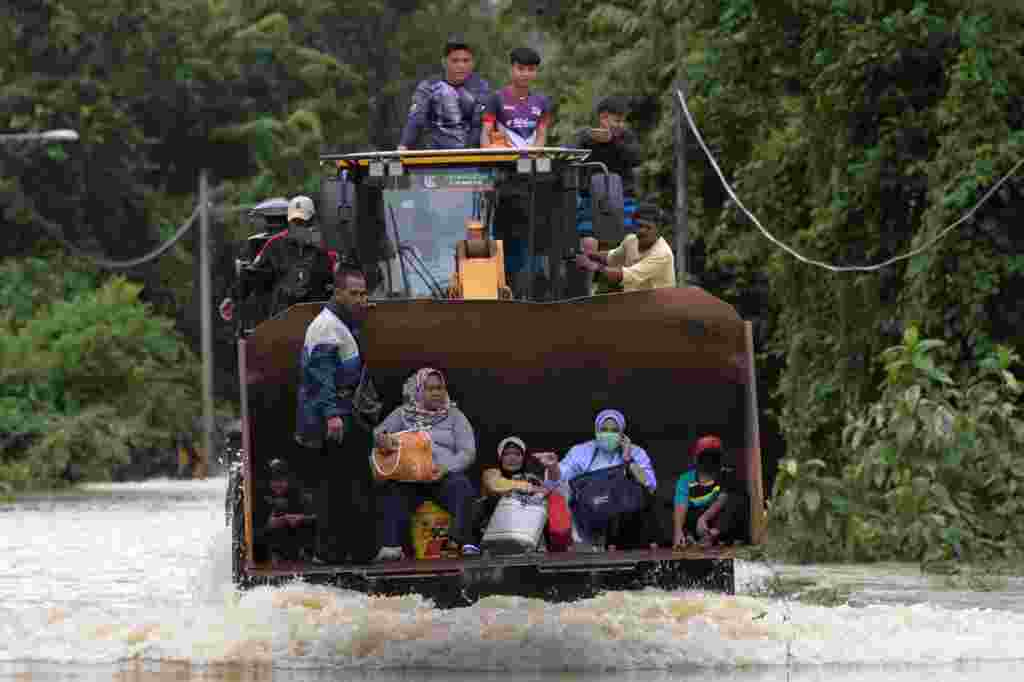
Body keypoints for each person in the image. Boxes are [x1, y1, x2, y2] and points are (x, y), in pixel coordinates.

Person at [294, 266, 382, 564]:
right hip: (334, 420)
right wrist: (333, 417)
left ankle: (351, 551)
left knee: (351, 484)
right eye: (354, 293)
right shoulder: (325, 327)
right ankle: (333, 554)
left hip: (347, 414)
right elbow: (322, 378)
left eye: (363, 293)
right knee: (338, 488)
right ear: (338, 292)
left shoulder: (342, 321)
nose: (360, 299)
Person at [374, 368, 480, 560]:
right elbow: (378, 435)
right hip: (410, 480)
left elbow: (468, 452)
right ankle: (391, 546)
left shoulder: (455, 416)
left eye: (440, 388)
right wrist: (383, 440)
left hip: (441, 477)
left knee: (462, 487)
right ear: (418, 391)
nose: (437, 393)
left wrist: (447, 468)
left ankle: (461, 541)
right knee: (390, 492)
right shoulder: (402, 414)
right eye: (430, 389)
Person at [532, 409, 658, 551]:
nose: (608, 434)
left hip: (624, 525)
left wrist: (628, 459)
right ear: (596, 430)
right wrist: (553, 467)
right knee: (559, 492)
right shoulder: (582, 451)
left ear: (622, 433)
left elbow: (649, 486)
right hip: (587, 520)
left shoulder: (637, 452)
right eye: (603, 429)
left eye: (614, 430)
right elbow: (558, 481)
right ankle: (571, 545)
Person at [219, 195, 336, 323]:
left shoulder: (326, 246)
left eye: (303, 223)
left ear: (312, 222)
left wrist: (319, 249)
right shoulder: (274, 245)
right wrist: (232, 298)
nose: (298, 228)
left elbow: (337, 279)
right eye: (294, 222)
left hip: (316, 321)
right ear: (289, 222)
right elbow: (252, 275)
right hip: (282, 319)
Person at [398, 36, 491, 150]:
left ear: (473, 63)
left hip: (472, 155)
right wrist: (403, 146)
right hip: (437, 155)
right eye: (455, 61)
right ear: (444, 62)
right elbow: (415, 120)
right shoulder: (428, 86)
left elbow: (481, 124)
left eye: (466, 61)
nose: (461, 65)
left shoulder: (481, 87)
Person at [573, 96, 642, 248]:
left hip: (624, 197)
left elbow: (636, 159)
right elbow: (570, 155)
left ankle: (625, 271)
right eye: (617, 121)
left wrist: (614, 141)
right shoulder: (586, 136)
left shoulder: (626, 137)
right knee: (588, 242)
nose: (621, 125)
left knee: (631, 240)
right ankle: (594, 269)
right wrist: (586, 138)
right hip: (591, 199)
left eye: (623, 121)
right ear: (603, 118)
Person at [574, 201, 676, 292]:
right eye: (639, 226)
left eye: (648, 227)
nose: (642, 231)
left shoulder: (662, 254)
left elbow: (625, 275)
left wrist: (593, 266)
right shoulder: (631, 240)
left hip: (659, 308)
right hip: (634, 303)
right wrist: (589, 255)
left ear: (658, 229)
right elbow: (611, 257)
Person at [473, 436, 549, 544]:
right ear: (500, 457)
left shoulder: (533, 478)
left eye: (517, 454)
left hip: (525, 531)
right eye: (507, 454)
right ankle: (471, 545)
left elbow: (544, 492)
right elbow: (496, 485)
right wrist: (528, 488)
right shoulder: (490, 473)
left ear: (523, 458)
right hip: (493, 529)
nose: (512, 458)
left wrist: (535, 489)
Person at [481, 47, 552, 149]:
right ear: (511, 69)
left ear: (536, 72)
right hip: (502, 160)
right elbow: (485, 136)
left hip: (528, 161)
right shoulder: (496, 98)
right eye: (520, 69)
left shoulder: (542, 101)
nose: (525, 74)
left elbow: (541, 136)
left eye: (531, 69)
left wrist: (532, 156)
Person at [253, 458, 315, 563]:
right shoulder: (260, 498)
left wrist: (302, 519)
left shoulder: (298, 496)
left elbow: (316, 518)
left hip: (295, 545)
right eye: (274, 481)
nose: (278, 485)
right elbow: (255, 528)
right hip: (269, 547)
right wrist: (272, 523)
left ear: (288, 481)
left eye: (282, 481)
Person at [673, 436, 723, 548]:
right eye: (705, 457)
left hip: (715, 521)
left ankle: (712, 536)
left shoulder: (725, 475)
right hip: (695, 523)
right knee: (667, 510)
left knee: (738, 500)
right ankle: (688, 537)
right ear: (696, 458)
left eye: (713, 457)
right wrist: (678, 532)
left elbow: (725, 499)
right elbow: (681, 504)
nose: (709, 461)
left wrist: (704, 518)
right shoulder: (686, 478)